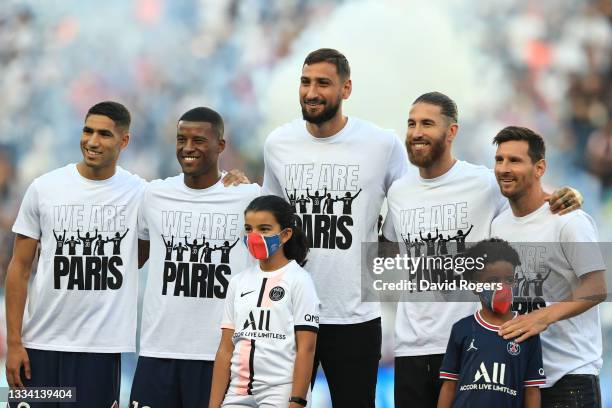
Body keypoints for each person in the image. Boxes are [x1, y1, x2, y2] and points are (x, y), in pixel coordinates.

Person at [382, 92, 582, 408]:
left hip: (474, 343)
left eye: (427, 123)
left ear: (451, 132)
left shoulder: (483, 183)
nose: (416, 132)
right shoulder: (398, 192)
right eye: (411, 123)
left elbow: (530, 200)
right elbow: (388, 249)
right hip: (411, 349)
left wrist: (566, 195)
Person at [262, 48, 409, 406]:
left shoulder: (382, 144)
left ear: (346, 89)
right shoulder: (278, 143)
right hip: (289, 311)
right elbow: (269, 220)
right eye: (305, 82)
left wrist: (384, 237)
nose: (311, 92)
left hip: (356, 315)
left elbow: (410, 201)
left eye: (323, 83)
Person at [6, 101, 146, 407]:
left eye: (105, 134)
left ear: (124, 141)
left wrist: (234, 180)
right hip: (38, 349)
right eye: (88, 131)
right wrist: (14, 343)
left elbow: (142, 251)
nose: (92, 141)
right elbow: (19, 268)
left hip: (100, 351)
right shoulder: (45, 188)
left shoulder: (141, 193)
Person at [130, 107, 260, 408]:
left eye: (199, 140)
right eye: (181, 139)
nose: (188, 148)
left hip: (219, 355)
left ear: (221, 146)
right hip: (157, 351)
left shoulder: (247, 198)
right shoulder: (154, 195)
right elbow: (137, 256)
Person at [490, 126, 607, 408]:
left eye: (515, 160)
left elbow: (598, 287)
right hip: (520, 380)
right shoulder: (498, 224)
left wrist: (543, 316)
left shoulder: (568, 219)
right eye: (499, 159)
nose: (504, 168)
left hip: (570, 380)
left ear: (540, 167)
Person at [209, 195, 319, 408]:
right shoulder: (238, 282)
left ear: (285, 234)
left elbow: (307, 348)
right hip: (237, 391)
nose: (254, 236)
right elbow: (225, 349)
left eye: (264, 229)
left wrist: (297, 401)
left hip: (280, 390)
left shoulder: (300, 280)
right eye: (249, 229)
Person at [437, 238, 545, 408]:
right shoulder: (462, 329)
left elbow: (531, 391)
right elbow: (449, 386)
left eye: (508, 280)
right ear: (475, 286)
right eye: (493, 281)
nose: (502, 288)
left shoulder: (527, 330)